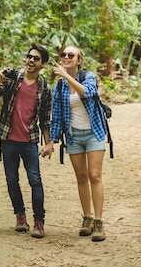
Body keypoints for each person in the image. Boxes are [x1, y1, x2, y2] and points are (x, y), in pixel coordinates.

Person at [40, 45, 107, 242]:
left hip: (94, 133)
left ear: (79, 60)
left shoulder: (89, 77)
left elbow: (88, 93)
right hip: (73, 136)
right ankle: (87, 218)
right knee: (81, 177)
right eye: (64, 55)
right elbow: (58, 115)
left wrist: (66, 75)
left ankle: (99, 222)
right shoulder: (60, 86)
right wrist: (51, 141)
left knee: (95, 175)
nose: (66, 57)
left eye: (71, 55)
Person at [0, 43, 52, 239]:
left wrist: (48, 143)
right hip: (8, 138)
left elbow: (45, 118)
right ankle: (20, 217)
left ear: (43, 64)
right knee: (11, 180)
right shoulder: (13, 77)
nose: (31, 60)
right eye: (29, 57)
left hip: (29, 140)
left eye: (36, 58)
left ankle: (39, 222)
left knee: (35, 180)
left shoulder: (44, 87)